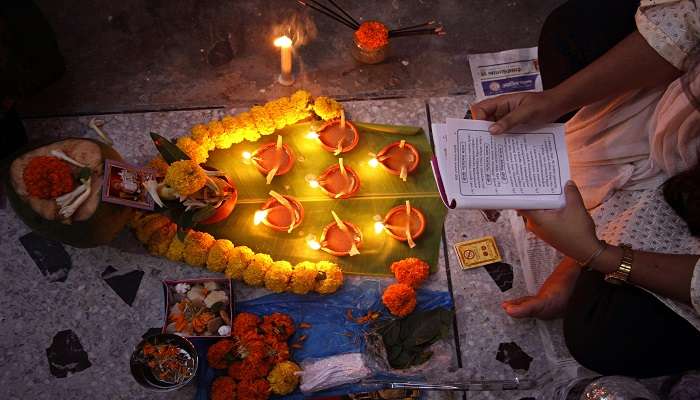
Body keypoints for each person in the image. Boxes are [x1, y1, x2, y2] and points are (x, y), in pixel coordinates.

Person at [470, 0, 700, 378]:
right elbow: (683, 27)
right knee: (573, 31)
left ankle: (602, 246)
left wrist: (591, 255)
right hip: (683, 120)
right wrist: (552, 102)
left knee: (602, 336)